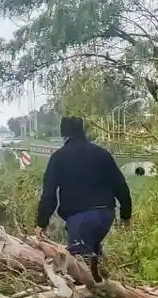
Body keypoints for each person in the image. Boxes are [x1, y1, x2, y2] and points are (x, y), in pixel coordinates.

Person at [35, 116, 133, 283]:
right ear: (83, 131)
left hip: (81, 220)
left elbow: (49, 194)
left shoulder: (59, 158)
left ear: (63, 133)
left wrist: (41, 223)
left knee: (80, 269)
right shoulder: (102, 154)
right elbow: (120, 185)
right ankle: (103, 294)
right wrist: (125, 214)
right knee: (92, 255)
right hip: (106, 215)